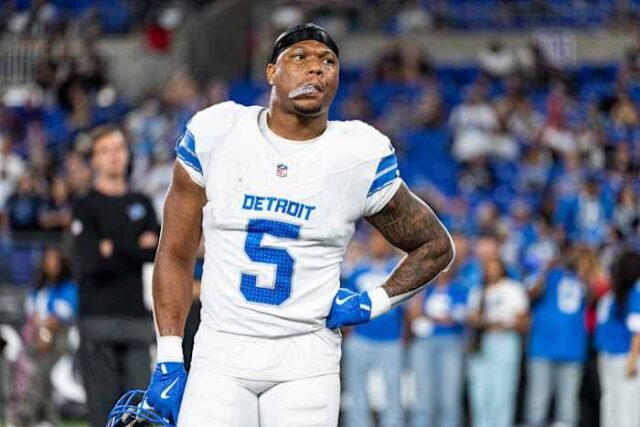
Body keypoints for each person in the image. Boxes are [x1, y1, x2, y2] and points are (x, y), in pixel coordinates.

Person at [110, 23, 454, 427]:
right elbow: (174, 252)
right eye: (300, 57)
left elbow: (435, 246)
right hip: (221, 353)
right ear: (271, 72)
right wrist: (169, 358)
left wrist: (372, 302)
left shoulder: (358, 154)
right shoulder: (217, 133)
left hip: (306, 362)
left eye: (328, 61)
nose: (316, 68)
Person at [71, 124, 160, 427]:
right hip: (98, 321)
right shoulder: (85, 205)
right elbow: (91, 262)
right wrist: (135, 246)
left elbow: (156, 252)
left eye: (119, 148)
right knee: (102, 415)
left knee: (140, 416)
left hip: (136, 322)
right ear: (94, 159)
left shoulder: (142, 203)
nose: (114, 156)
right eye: (105, 150)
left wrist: (112, 247)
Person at [8, 246, 78, 427]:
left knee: (41, 377)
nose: (51, 265)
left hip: (57, 341)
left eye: (55, 261)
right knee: (27, 376)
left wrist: (45, 332)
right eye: (48, 261)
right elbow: (31, 313)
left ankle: (27, 419)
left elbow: (62, 315)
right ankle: (44, 419)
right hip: (34, 339)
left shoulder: (68, 287)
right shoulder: (40, 288)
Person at [342, 229, 405, 427]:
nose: (379, 244)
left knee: (392, 392)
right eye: (375, 239)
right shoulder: (358, 271)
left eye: (383, 239)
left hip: (391, 339)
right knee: (357, 391)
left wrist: (404, 334)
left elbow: (408, 306)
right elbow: (346, 303)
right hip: (361, 338)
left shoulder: (398, 270)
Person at [524, 248, 588, 427]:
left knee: (567, 409)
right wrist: (545, 271)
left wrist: (586, 269)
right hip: (542, 348)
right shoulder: (547, 275)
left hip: (573, 349)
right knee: (537, 406)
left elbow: (594, 297)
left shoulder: (582, 278)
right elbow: (529, 295)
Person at [466, 257, 529, 427]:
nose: (490, 271)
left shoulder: (513, 289)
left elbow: (524, 322)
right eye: (487, 267)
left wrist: (503, 324)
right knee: (479, 393)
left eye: (494, 267)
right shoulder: (478, 291)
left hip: (504, 341)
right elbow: (471, 318)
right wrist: (479, 321)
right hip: (482, 342)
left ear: (502, 268)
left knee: (502, 392)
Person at [408, 265, 468, 427]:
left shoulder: (461, 288)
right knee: (424, 397)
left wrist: (430, 317)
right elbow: (414, 316)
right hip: (424, 344)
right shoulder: (424, 289)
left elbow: (458, 317)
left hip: (451, 342)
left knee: (449, 397)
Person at [594, 249, 640, 427]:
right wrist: (632, 360)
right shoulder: (626, 296)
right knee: (621, 404)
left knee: (615, 402)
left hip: (614, 355)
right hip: (620, 355)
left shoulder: (613, 297)